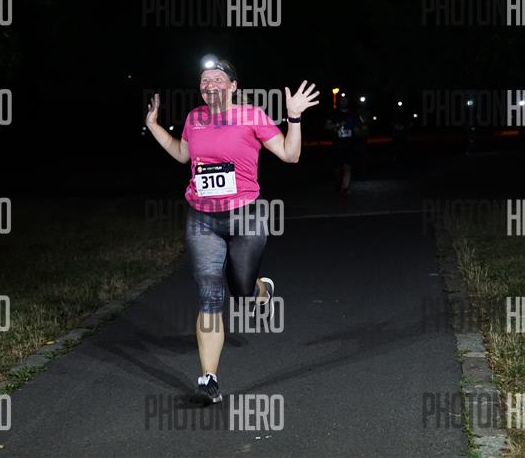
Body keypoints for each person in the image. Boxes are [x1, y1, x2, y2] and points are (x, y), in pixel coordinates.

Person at [144, 55, 319, 404]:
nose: (210, 84)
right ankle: (208, 380)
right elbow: (181, 154)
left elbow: (290, 155)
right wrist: (153, 124)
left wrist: (294, 117)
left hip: (246, 216)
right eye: (204, 80)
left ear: (233, 86)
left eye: (218, 79)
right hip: (202, 219)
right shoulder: (194, 118)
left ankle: (260, 290)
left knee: (241, 290)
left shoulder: (252, 116)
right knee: (210, 294)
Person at [325, 94, 364, 194]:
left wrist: (357, 130)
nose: (344, 102)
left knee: (348, 167)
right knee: (337, 168)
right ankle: (339, 184)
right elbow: (327, 126)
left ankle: (345, 188)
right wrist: (337, 125)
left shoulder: (353, 113)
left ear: (348, 101)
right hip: (337, 145)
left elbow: (361, 127)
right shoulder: (334, 113)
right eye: (342, 100)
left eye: (345, 100)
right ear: (339, 101)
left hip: (350, 144)